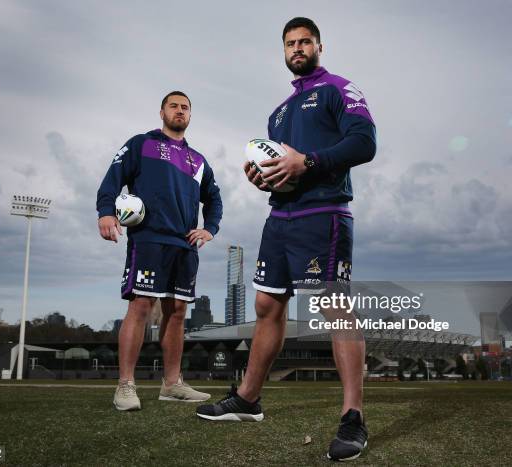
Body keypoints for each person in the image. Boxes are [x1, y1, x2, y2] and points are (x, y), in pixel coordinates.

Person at [196, 18, 376, 461]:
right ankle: (248, 399)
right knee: (266, 306)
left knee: (334, 306)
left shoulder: (339, 88)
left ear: (318, 45)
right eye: (290, 43)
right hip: (280, 218)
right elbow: (284, 173)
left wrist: (307, 163)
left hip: (324, 215)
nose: (297, 48)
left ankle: (353, 417)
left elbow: (365, 142)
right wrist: (266, 179)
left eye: (304, 42)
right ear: (283, 51)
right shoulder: (277, 113)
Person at [97, 91, 223, 411]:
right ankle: (125, 385)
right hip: (149, 239)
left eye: (185, 108)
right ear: (162, 112)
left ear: (190, 116)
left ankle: (172, 384)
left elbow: (214, 198)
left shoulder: (198, 160)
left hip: (185, 245)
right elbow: (113, 178)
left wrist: (210, 228)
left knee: (178, 312)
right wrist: (106, 212)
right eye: (174, 106)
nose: (179, 111)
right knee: (141, 307)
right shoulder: (142, 143)